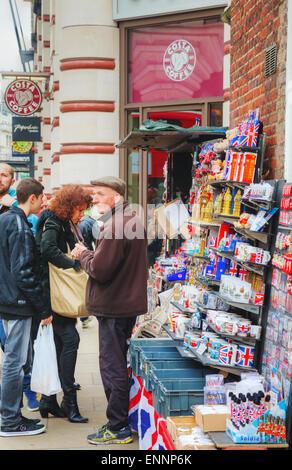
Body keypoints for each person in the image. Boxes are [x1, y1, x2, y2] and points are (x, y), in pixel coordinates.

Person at [71, 176, 148, 445]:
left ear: (116, 197)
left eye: (100, 194)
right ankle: (119, 423)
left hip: (115, 305)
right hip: (123, 303)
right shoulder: (128, 219)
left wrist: (82, 253)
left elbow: (100, 270)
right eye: (94, 194)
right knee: (115, 364)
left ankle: (117, 427)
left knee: (111, 366)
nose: (94, 199)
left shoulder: (116, 225)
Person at [0, 177, 52, 437]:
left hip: (9, 300)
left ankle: (11, 417)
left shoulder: (5, 219)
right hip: (18, 302)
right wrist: (43, 308)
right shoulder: (18, 224)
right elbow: (23, 272)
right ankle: (9, 420)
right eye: (42, 198)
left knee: (15, 361)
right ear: (32, 197)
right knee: (15, 361)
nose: (44, 202)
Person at [36, 184, 92, 423]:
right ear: (69, 207)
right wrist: (74, 265)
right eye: (80, 210)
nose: (82, 215)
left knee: (61, 344)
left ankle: (49, 401)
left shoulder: (61, 221)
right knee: (70, 340)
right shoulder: (53, 220)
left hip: (57, 291)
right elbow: (47, 249)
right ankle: (69, 402)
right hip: (53, 291)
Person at [0, 163, 41, 412]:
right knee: (14, 355)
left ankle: (26, 393)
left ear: (12, 181)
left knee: (15, 352)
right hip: (8, 291)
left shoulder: (20, 210)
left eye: (3, 174)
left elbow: (28, 247)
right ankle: (9, 410)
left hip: (11, 292)